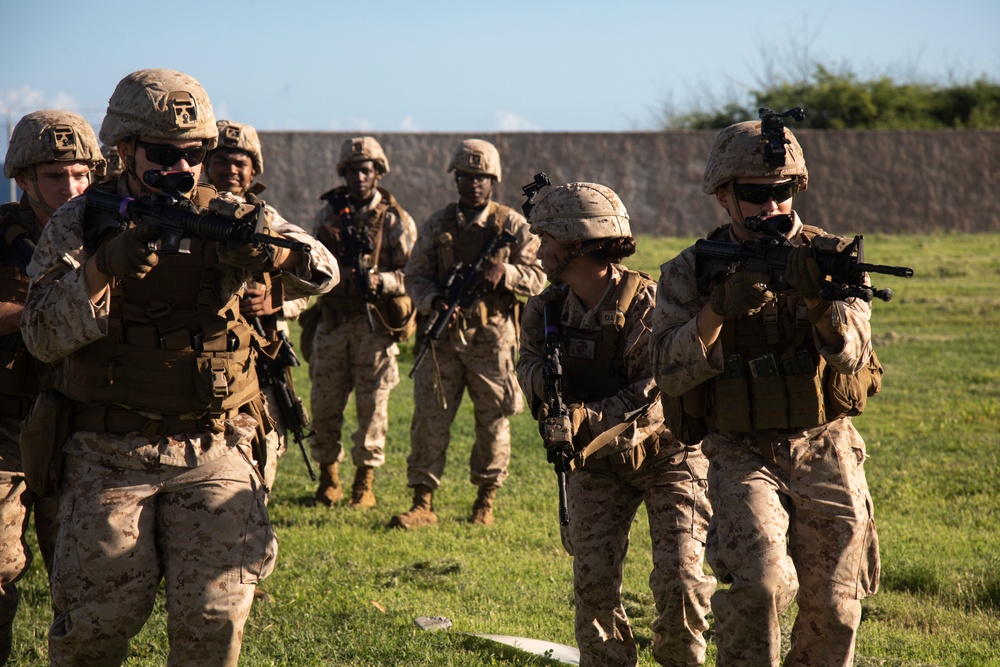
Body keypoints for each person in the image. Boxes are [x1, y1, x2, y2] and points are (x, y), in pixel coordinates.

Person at [21, 68, 338, 666]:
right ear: (124, 150)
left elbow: (324, 269)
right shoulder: (81, 221)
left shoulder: (230, 212)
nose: (184, 167)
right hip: (108, 451)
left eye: (197, 153)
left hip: (215, 446)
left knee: (212, 626)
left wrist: (267, 253)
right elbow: (39, 335)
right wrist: (101, 268)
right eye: (165, 153)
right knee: (93, 628)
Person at [649, 119, 881, 666]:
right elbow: (669, 374)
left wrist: (819, 303)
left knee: (838, 604)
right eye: (755, 195)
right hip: (737, 447)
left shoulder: (832, 258)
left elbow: (853, 356)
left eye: (782, 192)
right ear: (724, 197)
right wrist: (718, 310)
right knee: (760, 586)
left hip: (823, 442)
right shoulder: (689, 272)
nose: (771, 206)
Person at [517, 182, 716, 667]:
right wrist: (549, 392)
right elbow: (525, 364)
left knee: (681, 581)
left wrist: (586, 418)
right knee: (593, 587)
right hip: (594, 464)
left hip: (670, 457)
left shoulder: (649, 302)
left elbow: (654, 395)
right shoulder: (545, 309)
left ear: (577, 245)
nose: (538, 251)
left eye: (546, 240)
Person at [390, 139, 545, 529]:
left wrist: (506, 273)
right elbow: (415, 276)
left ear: (493, 180)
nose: (473, 184)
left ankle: (485, 501)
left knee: (493, 419)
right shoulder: (438, 224)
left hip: (492, 337)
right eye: (465, 177)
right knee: (429, 419)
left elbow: (541, 276)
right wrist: (433, 301)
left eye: (481, 177)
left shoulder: (512, 224)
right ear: (455, 179)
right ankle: (422, 502)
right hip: (442, 339)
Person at [0, 110, 105, 665]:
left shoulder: (105, 230)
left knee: (84, 574)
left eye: (81, 174)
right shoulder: (2, 233)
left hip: (79, 426)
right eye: (55, 176)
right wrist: (39, 312)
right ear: (22, 178)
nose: (72, 189)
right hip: (7, 426)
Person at [305, 136, 417, 508]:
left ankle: (363, 484)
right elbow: (308, 262)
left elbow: (415, 274)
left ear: (378, 173)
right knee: (324, 406)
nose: (358, 177)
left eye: (365, 170)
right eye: (351, 170)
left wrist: (381, 280)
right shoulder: (327, 214)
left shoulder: (396, 220)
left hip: (374, 326)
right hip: (333, 323)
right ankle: (328, 479)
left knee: (373, 410)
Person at [205, 118, 310, 491]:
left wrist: (274, 302)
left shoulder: (268, 222)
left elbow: (312, 279)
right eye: (222, 160)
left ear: (253, 172)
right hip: (206, 358)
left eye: (241, 163)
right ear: (205, 162)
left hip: (262, 357)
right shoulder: (187, 215)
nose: (231, 170)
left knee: (266, 448)